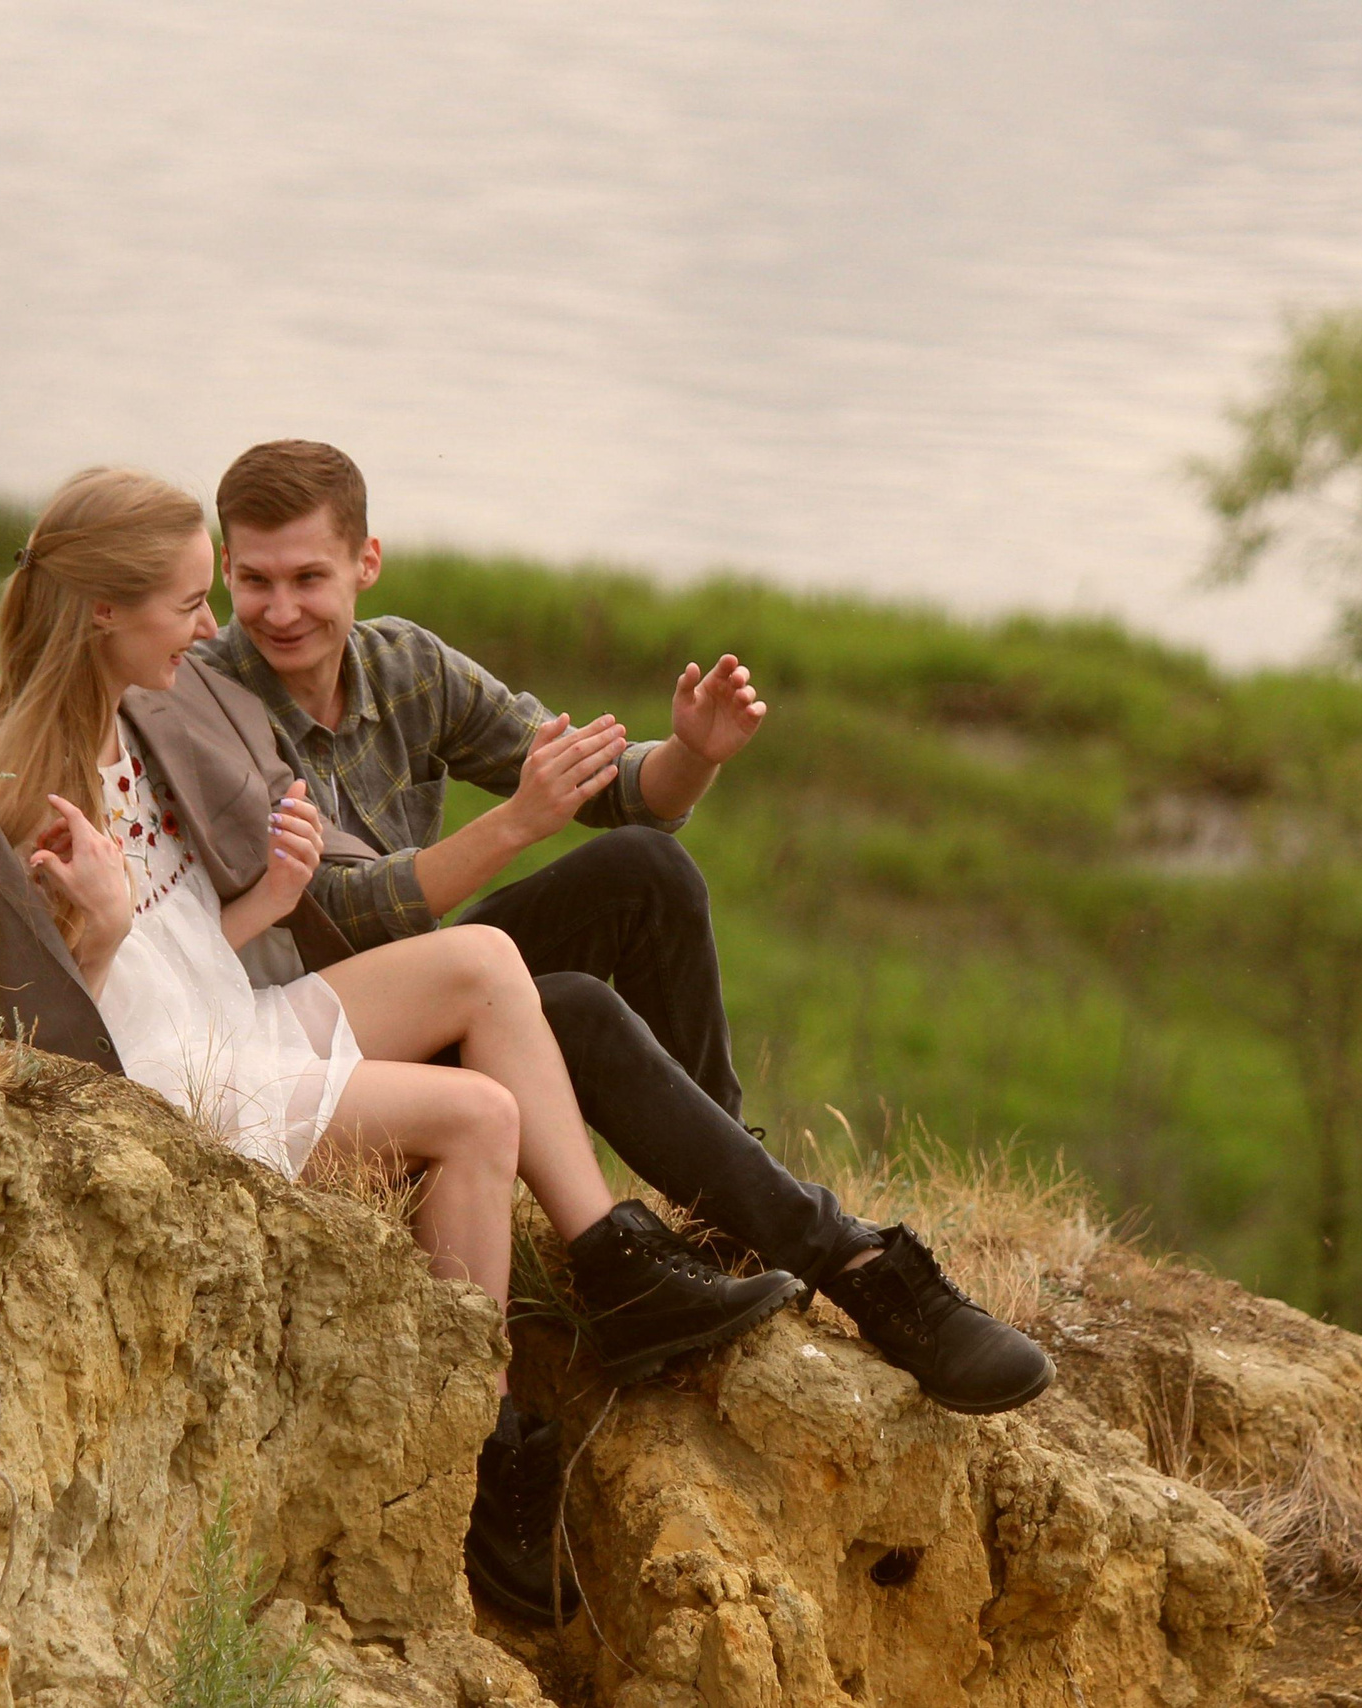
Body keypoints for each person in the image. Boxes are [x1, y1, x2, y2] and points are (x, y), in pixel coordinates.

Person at [0, 468, 801, 1622]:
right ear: (103, 611)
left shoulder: (139, 717)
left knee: (487, 966)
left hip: (228, 1016)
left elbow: (179, 941)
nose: (214, 629)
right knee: (478, 1115)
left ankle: (614, 1262)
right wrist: (92, 933)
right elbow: (52, 1028)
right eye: (198, 600)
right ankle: (479, 1434)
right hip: (175, 1083)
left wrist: (261, 901)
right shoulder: (13, 790)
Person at [193, 440, 1053, 1420]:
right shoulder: (211, 705)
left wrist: (690, 755)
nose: (280, 609)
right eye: (253, 580)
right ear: (225, 568)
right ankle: (856, 1265)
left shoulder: (403, 662)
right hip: (321, 1040)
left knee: (646, 869)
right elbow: (341, 910)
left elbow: (605, 787)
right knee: (565, 1009)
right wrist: (513, 823)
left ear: (366, 561)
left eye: (309, 576)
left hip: (433, 986)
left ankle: (726, 1212)